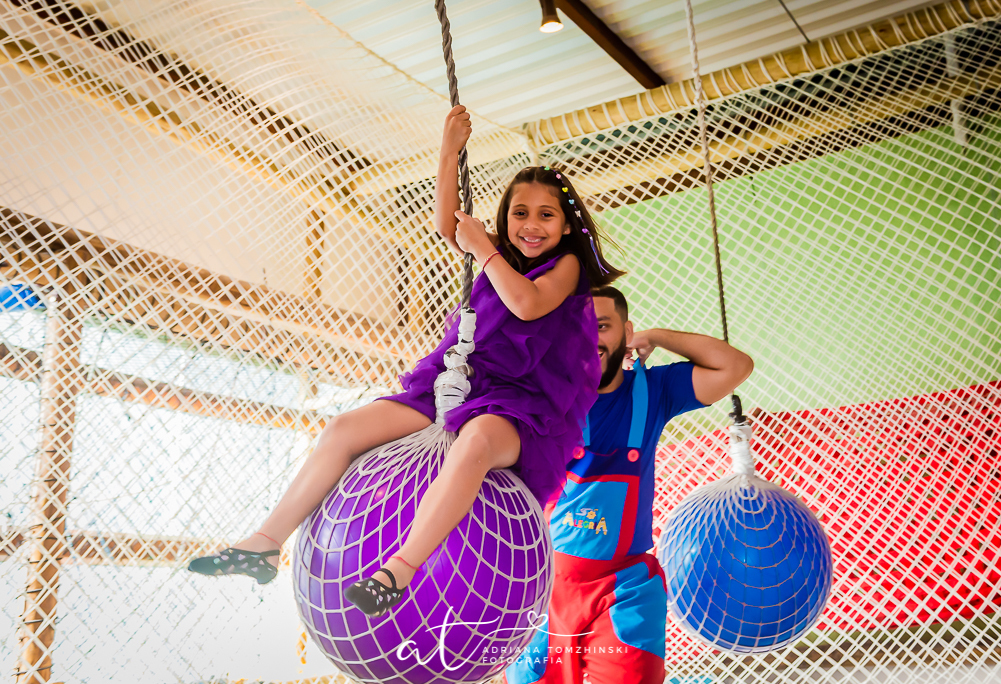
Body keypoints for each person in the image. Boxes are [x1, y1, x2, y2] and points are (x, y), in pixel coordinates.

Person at [187, 105, 624, 618]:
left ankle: (402, 567)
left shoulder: (565, 266)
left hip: (522, 406)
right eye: (519, 213)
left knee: (476, 442)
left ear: (567, 225)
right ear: (506, 218)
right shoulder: (496, 252)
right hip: (457, 383)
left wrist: (485, 248)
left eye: (545, 215)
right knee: (345, 429)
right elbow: (448, 224)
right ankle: (264, 542)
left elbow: (526, 303)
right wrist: (448, 152)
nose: (530, 225)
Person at [504, 286, 754, 684]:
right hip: (544, 589)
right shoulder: (546, 396)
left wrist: (655, 337)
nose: (591, 337)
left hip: (624, 590)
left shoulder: (655, 391)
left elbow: (735, 367)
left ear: (625, 331)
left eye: (603, 326)